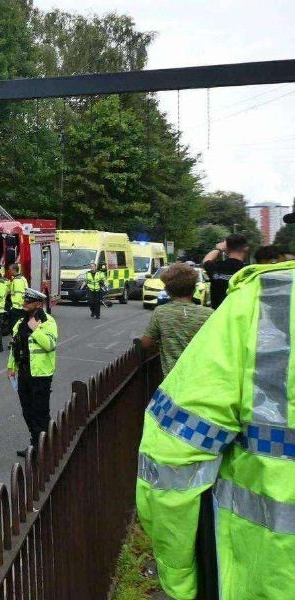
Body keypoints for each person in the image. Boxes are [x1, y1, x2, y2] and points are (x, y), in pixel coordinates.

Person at [135, 236, 295, 599]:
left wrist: (179, 577)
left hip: (269, 572)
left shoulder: (260, 303)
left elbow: (173, 458)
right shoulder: (209, 315)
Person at [6, 288, 57, 457]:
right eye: (24, 300)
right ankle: (36, 443)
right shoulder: (20, 322)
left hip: (41, 375)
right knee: (27, 410)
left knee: (40, 412)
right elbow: (15, 346)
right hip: (24, 373)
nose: (24, 303)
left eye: (28, 301)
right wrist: (11, 367)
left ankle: (45, 447)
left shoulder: (48, 322)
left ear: (38, 304)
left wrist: (36, 330)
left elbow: (50, 345)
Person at [139, 263, 213, 376]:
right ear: (194, 289)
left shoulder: (161, 312)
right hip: (202, 379)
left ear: (167, 290)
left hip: (172, 381)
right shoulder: (209, 314)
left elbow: (145, 343)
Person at [201, 233, 248, 308]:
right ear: (246, 248)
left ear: (226, 249)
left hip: (218, 316)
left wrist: (218, 249)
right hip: (241, 317)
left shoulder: (216, 268)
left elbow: (206, 260)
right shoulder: (248, 271)